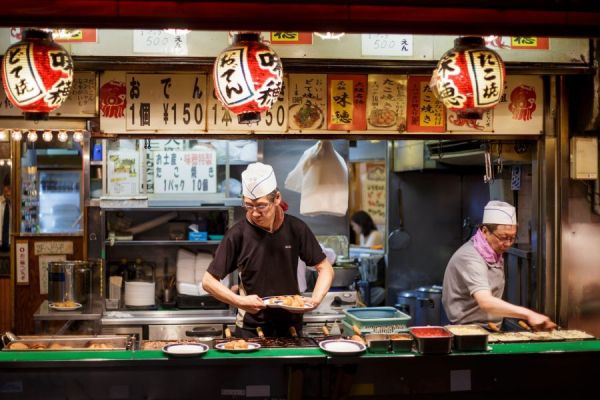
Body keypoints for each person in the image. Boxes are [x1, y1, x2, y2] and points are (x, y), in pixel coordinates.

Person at [202, 162, 334, 338]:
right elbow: (208, 281)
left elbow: (325, 268)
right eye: (249, 205)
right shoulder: (238, 234)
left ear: (277, 198)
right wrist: (240, 301)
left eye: (261, 206)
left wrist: (316, 300)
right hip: (251, 328)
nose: (254, 213)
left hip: (291, 326)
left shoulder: (296, 229)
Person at [442, 201, 557, 331]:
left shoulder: (492, 251)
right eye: (503, 237)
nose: (508, 244)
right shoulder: (470, 257)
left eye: (512, 238)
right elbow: (486, 302)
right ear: (485, 231)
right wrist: (529, 314)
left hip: (488, 329)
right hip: (467, 331)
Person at [0, 175, 11, 252]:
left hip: (11, 245)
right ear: (3, 186)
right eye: (7, 188)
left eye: (11, 189)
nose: (9, 192)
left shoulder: (16, 207)